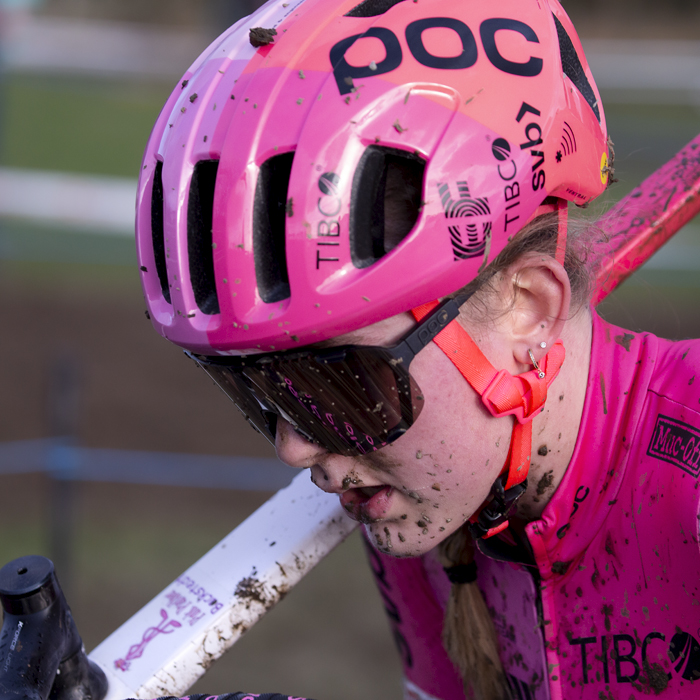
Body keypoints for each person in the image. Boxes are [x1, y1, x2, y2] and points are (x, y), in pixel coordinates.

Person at [135, 0, 700, 698]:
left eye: (343, 385)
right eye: (261, 392)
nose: (295, 447)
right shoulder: (426, 495)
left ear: (529, 309)